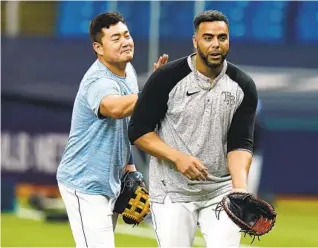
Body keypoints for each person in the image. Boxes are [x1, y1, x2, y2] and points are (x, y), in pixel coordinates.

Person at [128, 10, 258, 248]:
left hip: (220, 191)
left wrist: (240, 189)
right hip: (172, 191)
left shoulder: (243, 85)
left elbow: (240, 143)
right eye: (208, 38)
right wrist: (178, 158)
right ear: (195, 41)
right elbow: (138, 131)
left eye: (222, 38)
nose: (216, 44)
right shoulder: (166, 78)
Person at [56, 12, 168, 248]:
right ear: (98, 47)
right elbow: (114, 108)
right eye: (115, 38)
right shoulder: (98, 80)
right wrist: (153, 91)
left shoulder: (128, 73)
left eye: (126, 35)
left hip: (111, 182)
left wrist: (129, 165)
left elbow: (125, 124)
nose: (125, 41)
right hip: (84, 183)